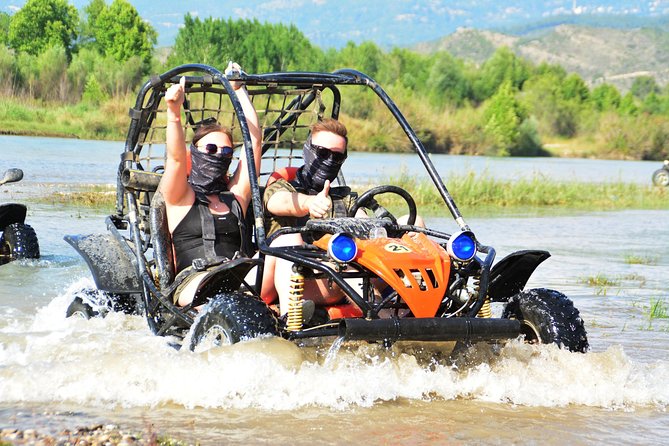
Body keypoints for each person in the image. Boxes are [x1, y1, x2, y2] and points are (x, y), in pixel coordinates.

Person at [260, 118, 424, 315]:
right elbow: (280, 202)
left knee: (412, 223)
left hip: (336, 278)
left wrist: (400, 239)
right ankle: (292, 317)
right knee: (288, 238)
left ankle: (422, 306)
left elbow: (364, 222)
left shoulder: (343, 199)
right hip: (291, 281)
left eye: (337, 157)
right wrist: (309, 203)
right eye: (322, 153)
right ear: (307, 151)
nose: (329, 160)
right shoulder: (281, 189)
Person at [162, 62, 261, 307]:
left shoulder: (236, 197)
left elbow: (255, 143)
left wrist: (238, 90)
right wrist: (173, 112)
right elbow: (175, 159)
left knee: (283, 246)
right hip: (195, 282)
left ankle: (295, 314)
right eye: (211, 149)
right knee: (223, 287)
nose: (219, 155)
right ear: (195, 152)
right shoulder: (180, 196)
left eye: (226, 151)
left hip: (241, 281)